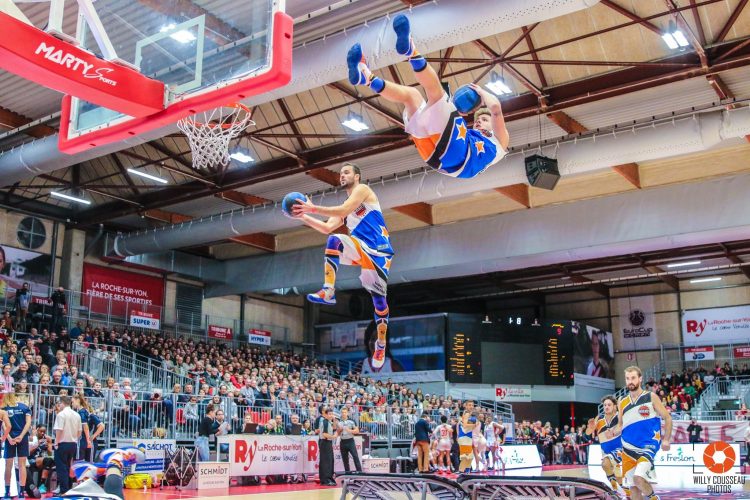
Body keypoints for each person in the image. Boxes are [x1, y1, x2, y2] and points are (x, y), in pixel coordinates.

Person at [346, 15, 509, 179]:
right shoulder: (471, 136)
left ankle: (411, 51)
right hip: (436, 161)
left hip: (460, 156)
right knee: (411, 96)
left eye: (484, 120)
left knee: (436, 93)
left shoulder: (499, 142)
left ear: (493, 127)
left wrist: (481, 92)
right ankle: (366, 77)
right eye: (478, 120)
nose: (479, 121)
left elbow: (495, 108)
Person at [293, 162, 394, 369]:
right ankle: (328, 290)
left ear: (357, 176)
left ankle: (381, 343)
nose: (342, 175)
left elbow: (345, 209)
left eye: (346, 172)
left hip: (379, 251)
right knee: (334, 239)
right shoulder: (346, 204)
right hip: (359, 247)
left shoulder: (363, 190)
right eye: (340, 173)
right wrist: (303, 215)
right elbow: (326, 227)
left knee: (380, 303)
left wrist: (313, 207)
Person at [613, 366, 672, 500]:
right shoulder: (622, 401)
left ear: (640, 379)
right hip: (627, 448)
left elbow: (667, 417)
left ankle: (653, 498)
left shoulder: (650, 397)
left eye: (633, 378)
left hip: (647, 446)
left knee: (638, 478)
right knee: (633, 489)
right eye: (628, 379)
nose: (630, 381)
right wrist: (612, 432)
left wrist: (666, 439)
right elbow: (620, 425)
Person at [585, 395, 622, 492]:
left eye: (609, 405)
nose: (606, 407)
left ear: (614, 406)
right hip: (605, 450)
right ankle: (620, 488)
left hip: (619, 448)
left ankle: (616, 488)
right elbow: (588, 432)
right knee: (612, 471)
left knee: (605, 464)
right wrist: (591, 426)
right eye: (605, 405)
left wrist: (615, 432)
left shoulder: (619, 416)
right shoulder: (599, 417)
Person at [3, 392, 32, 499]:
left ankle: (7, 492)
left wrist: (9, 438)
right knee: (22, 465)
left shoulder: (5, 408)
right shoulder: (24, 407)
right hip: (22, 438)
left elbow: (4, 425)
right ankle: (21, 493)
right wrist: (21, 436)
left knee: (8, 465)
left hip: (9, 437)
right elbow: (28, 423)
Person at [53, 395, 82, 494]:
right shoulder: (77, 415)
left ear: (62, 403)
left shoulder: (61, 415)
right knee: (68, 466)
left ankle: (64, 490)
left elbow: (59, 430)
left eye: (59, 403)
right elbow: (79, 432)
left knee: (61, 468)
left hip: (62, 443)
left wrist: (56, 443)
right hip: (73, 444)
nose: (58, 405)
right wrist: (74, 439)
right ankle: (68, 487)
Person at [28, 426, 54, 495]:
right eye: (41, 431)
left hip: (41, 459)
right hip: (31, 459)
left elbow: (50, 453)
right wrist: (38, 444)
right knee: (48, 460)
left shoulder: (46, 438)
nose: (42, 433)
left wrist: (49, 443)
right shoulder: (32, 438)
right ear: (37, 430)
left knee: (50, 460)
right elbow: (28, 453)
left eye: (44, 432)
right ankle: (41, 485)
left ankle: (42, 485)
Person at [337, 407, 362, 473]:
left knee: (355, 456)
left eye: (345, 412)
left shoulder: (352, 420)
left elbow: (357, 431)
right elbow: (338, 433)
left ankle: (359, 472)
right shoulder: (339, 422)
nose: (344, 414)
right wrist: (339, 430)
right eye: (342, 412)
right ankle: (347, 473)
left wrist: (349, 430)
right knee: (345, 459)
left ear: (347, 413)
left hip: (350, 441)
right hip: (342, 442)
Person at [318, 407, 337, 486]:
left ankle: (327, 478)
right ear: (325, 414)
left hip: (328, 442)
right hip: (325, 442)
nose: (331, 415)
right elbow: (324, 434)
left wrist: (334, 420)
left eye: (332, 414)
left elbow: (334, 428)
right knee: (326, 462)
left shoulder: (329, 422)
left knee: (329, 461)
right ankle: (326, 479)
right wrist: (333, 437)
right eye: (329, 414)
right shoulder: (325, 422)